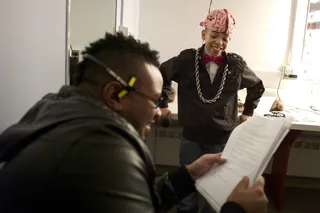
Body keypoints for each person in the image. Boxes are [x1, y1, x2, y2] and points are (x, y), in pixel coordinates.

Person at [0, 32, 267, 213]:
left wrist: (187, 176)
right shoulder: (104, 151)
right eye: (154, 101)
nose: (156, 112)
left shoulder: (55, 109)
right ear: (115, 94)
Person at [159, 9, 265, 213]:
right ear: (203, 34)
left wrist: (248, 112)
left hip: (222, 140)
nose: (219, 42)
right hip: (190, 138)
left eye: (225, 38)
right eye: (214, 36)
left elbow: (257, 86)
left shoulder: (236, 65)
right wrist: (163, 102)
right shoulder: (186, 60)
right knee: (187, 195)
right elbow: (162, 72)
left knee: (214, 194)